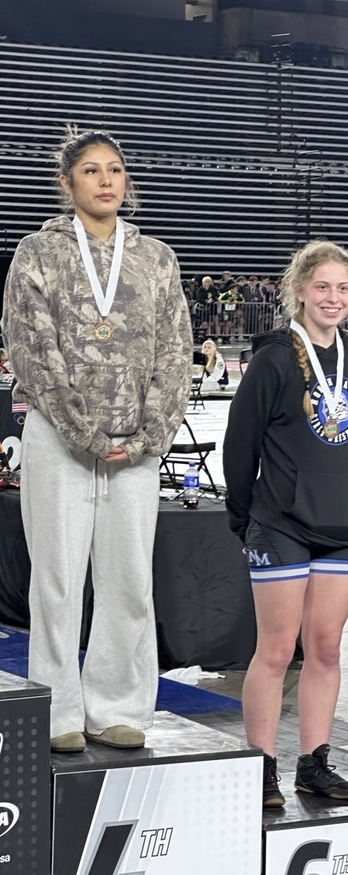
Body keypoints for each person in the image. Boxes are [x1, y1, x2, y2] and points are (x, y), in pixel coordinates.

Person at [2, 126, 192, 753]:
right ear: (67, 183)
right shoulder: (38, 253)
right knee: (56, 577)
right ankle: (57, 708)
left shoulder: (156, 258)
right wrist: (83, 431)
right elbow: (32, 350)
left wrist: (147, 436)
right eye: (91, 170)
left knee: (129, 578)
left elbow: (176, 352)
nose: (106, 180)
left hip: (135, 446)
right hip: (60, 439)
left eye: (115, 169)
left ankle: (116, 704)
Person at [223, 238, 348, 808]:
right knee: (278, 651)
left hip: (339, 526)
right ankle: (260, 767)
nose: (332, 298)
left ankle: (315, 763)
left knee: (327, 648)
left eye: (342, 288)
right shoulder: (274, 358)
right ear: (300, 291)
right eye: (322, 287)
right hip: (280, 522)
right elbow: (241, 445)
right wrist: (244, 520)